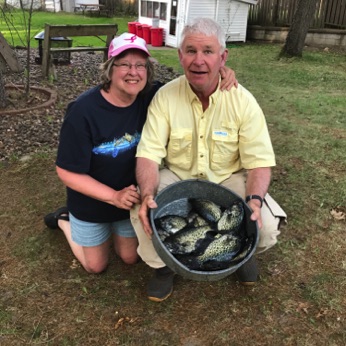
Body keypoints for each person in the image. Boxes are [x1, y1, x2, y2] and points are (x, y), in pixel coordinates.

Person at [44, 32, 237, 274]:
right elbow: (66, 171)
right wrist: (112, 196)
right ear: (109, 68)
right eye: (123, 64)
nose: (132, 72)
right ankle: (64, 220)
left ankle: (109, 227)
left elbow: (193, 81)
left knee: (129, 257)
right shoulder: (83, 112)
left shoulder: (152, 96)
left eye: (140, 65)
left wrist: (220, 72)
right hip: (92, 201)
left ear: (147, 71)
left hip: (131, 199)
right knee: (95, 265)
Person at [130, 18, 287, 302]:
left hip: (228, 178)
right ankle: (164, 267)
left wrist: (253, 200)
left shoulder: (243, 101)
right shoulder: (165, 97)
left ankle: (241, 252)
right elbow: (149, 154)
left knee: (264, 223)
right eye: (190, 50)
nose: (198, 60)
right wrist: (149, 193)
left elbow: (259, 161)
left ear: (223, 57)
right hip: (178, 175)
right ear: (180, 56)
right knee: (143, 210)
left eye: (208, 51)